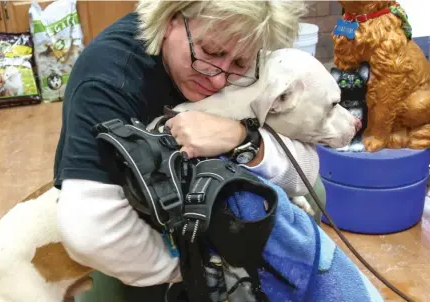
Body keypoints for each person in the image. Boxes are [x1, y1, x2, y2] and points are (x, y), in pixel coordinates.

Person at [54, 1, 318, 301]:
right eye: (211, 52)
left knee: (314, 196)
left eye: (240, 64)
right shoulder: (109, 76)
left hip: (216, 211)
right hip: (156, 237)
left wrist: (242, 139)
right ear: (170, 20)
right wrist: (200, 271)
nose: (219, 79)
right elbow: (88, 231)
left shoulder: (247, 45)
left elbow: (306, 173)